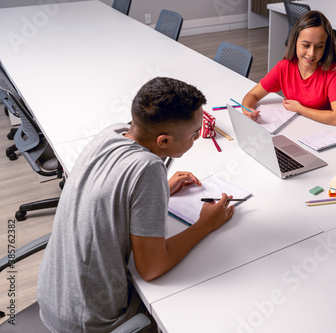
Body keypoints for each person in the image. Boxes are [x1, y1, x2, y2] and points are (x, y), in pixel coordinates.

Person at [37, 77, 235, 332]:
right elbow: (152, 268)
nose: (197, 138)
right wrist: (204, 225)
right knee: (191, 310)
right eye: (194, 133)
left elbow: (111, 191)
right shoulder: (149, 169)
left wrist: (161, 189)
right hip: (89, 321)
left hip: (54, 297)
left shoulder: (111, 133)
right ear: (164, 141)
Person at [242, 10, 336, 127]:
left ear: (326, 47)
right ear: (295, 41)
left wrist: (300, 109)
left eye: (319, 46)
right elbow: (252, 95)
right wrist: (247, 109)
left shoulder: (333, 73)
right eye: (306, 45)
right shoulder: (284, 67)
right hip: (296, 128)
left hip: (324, 134)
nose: (311, 53)